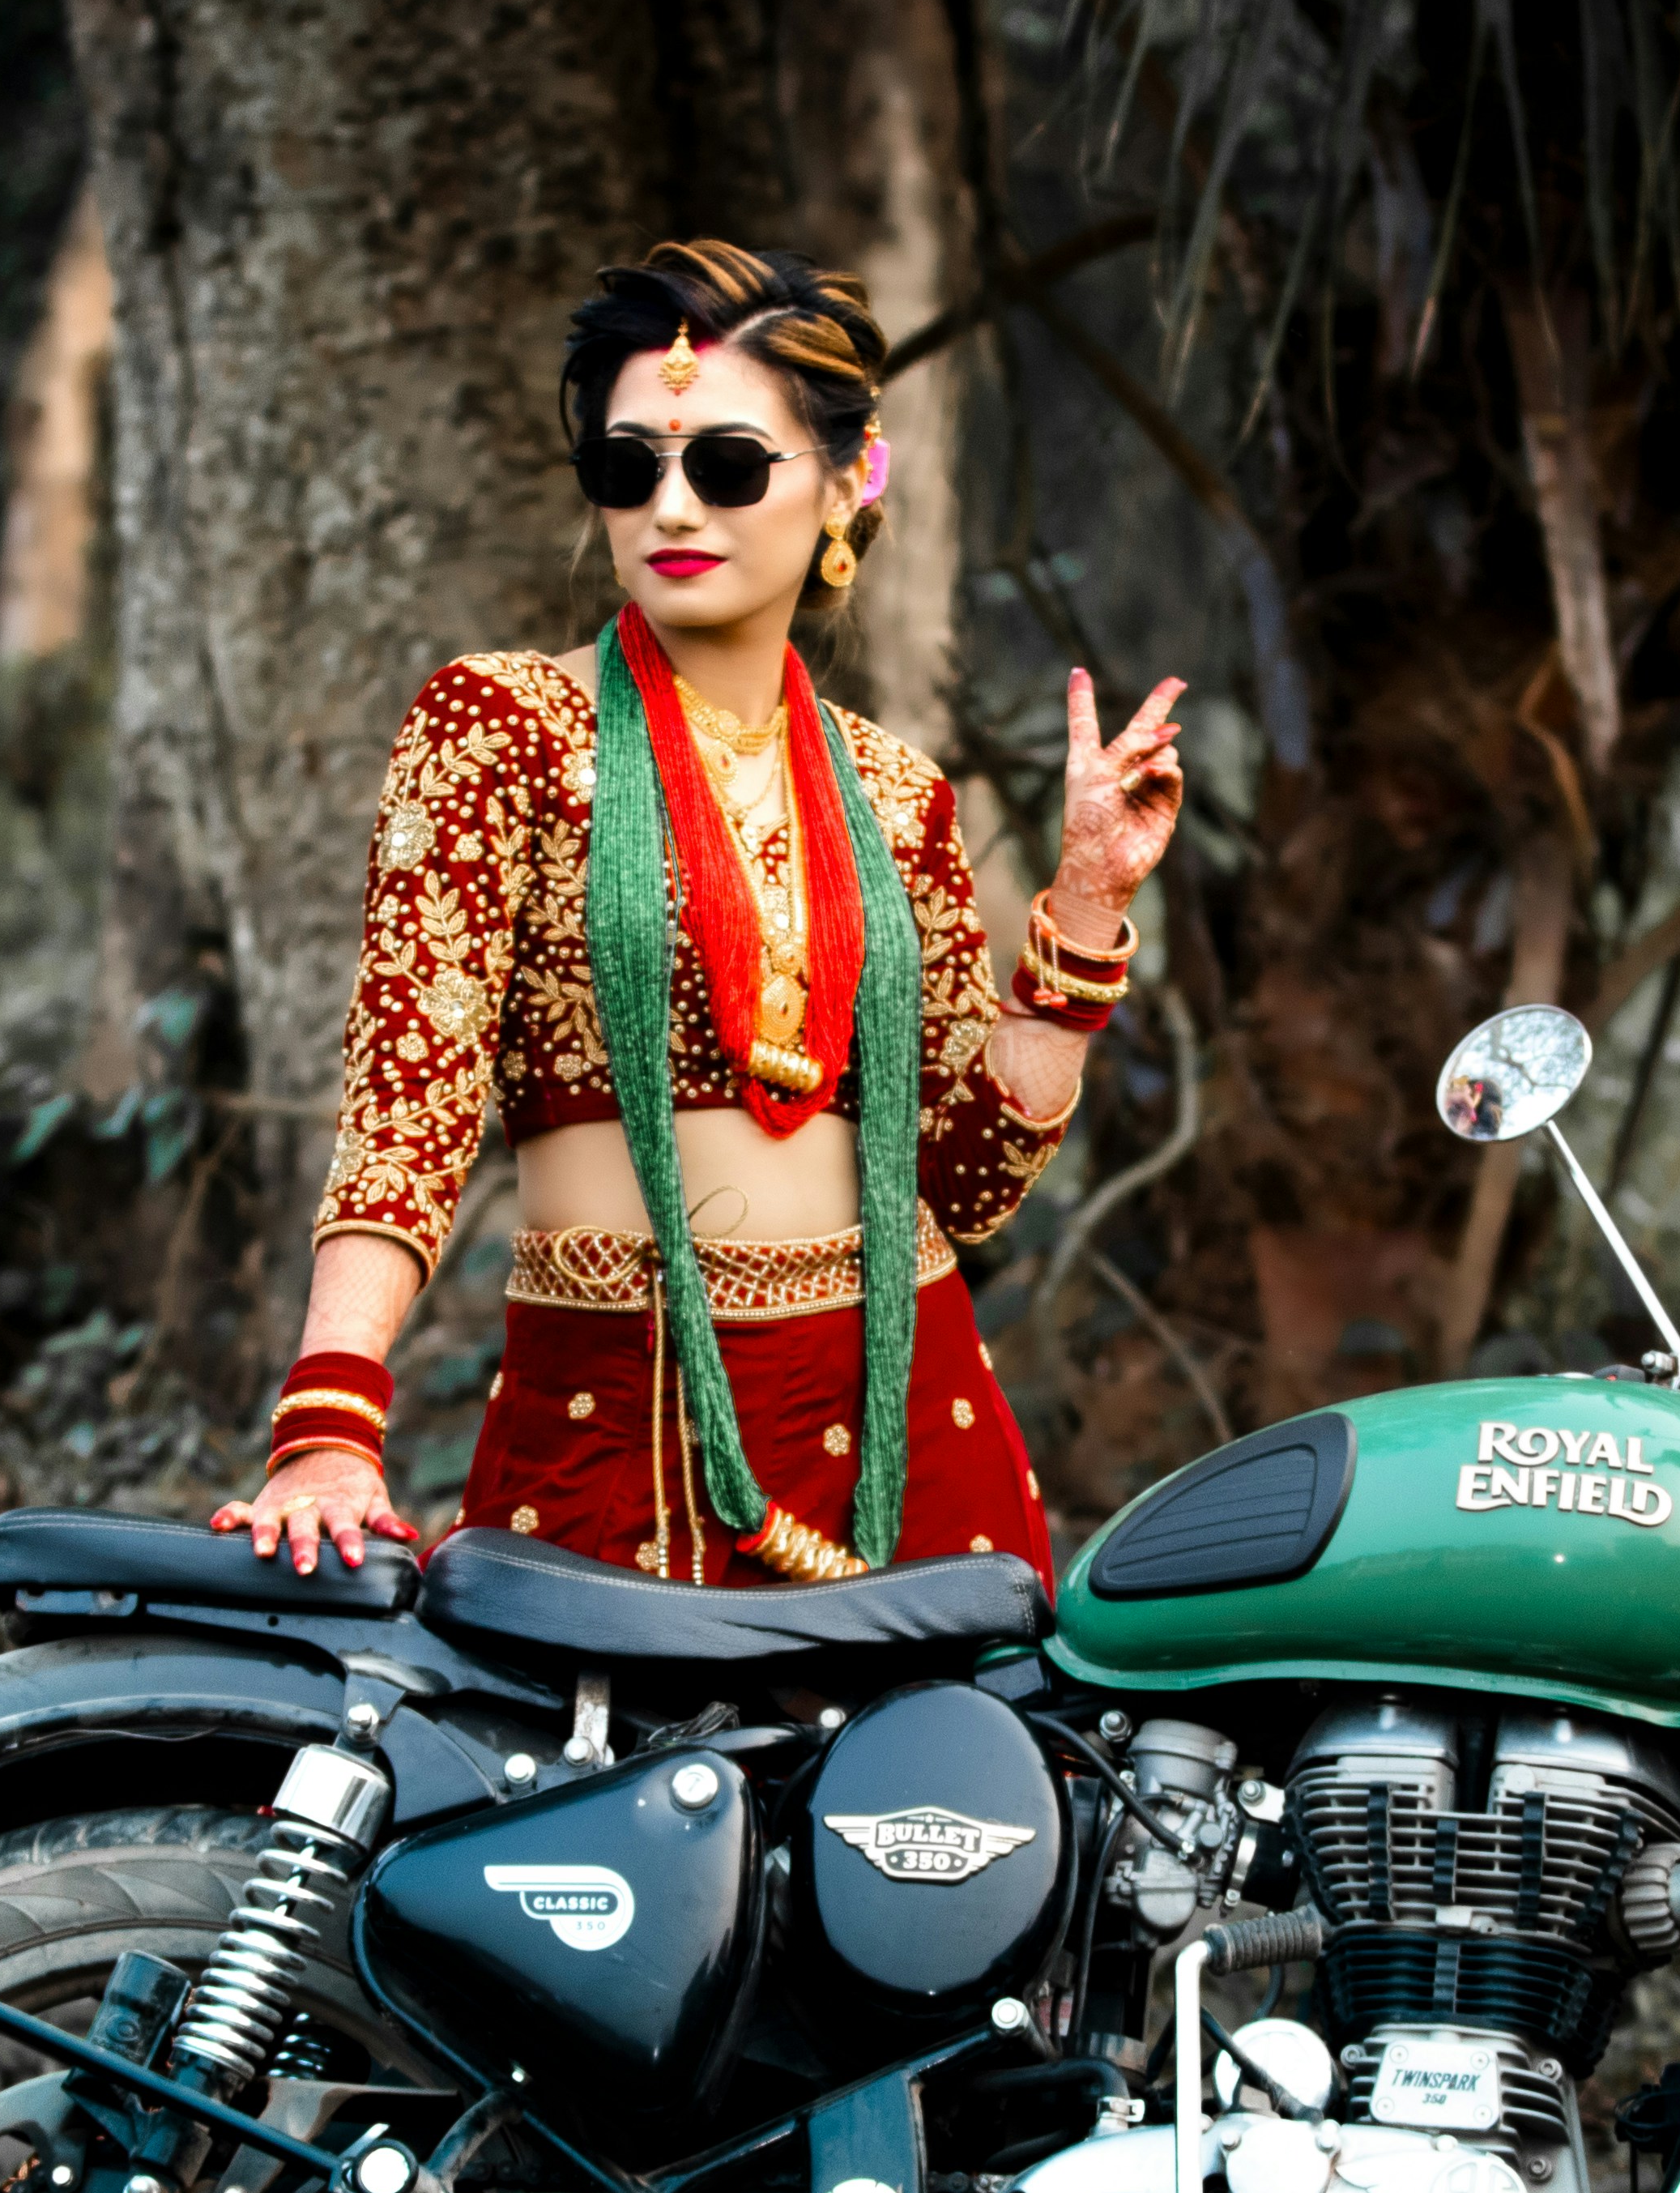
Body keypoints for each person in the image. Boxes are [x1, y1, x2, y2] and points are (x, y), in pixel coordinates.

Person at [213, 237, 1183, 1586]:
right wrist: (329, 1417)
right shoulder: (501, 728)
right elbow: (411, 1092)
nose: (672, 508)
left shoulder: (895, 794)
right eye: (630, 470)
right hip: (622, 1404)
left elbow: (965, 1181)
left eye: (726, 467)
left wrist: (1084, 908)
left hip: (906, 1408)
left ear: (851, 484)